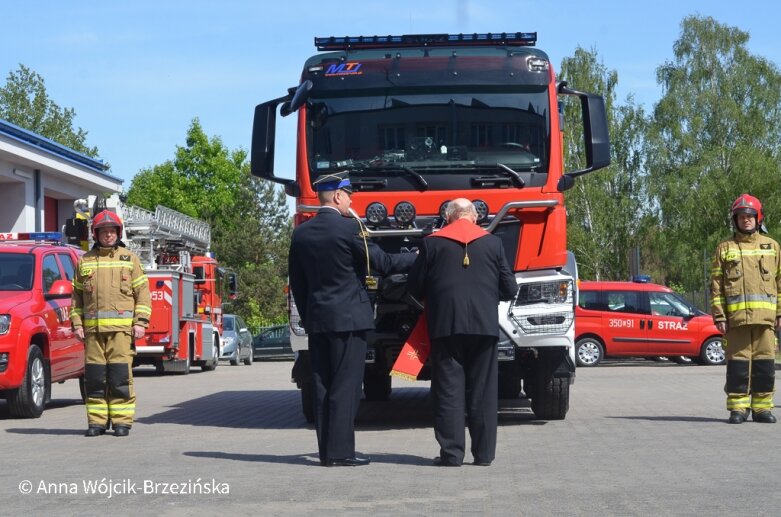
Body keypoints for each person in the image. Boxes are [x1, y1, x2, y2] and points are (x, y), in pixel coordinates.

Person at [288, 172, 415, 466]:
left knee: (321, 385)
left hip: (318, 321)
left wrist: (309, 317)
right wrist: (418, 254)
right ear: (337, 196)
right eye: (349, 195)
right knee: (346, 386)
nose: (351, 201)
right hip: (350, 321)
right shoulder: (349, 229)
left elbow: (298, 283)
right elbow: (382, 263)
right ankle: (342, 451)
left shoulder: (302, 234)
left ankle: (326, 453)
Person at [407, 198, 518, 466]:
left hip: (446, 327)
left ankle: (452, 454)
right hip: (484, 328)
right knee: (484, 391)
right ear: (475, 216)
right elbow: (510, 288)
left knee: (448, 391)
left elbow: (414, 286)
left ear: (449, 217)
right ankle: (484, 455)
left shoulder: (432, 243)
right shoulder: (493, 243)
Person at [71, 210, 152, 437]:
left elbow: (142, 294)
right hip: (93, 332)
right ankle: (96, 423)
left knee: (120, 377)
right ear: (96, 234)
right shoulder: (84, 261)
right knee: (95, 378)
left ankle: (121, 422)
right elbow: (76, 297)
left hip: (121, 332)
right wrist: (77, 324)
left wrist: (141, 322)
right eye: (104, 231)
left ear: (118, 233)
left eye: (112, 231)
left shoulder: (129, 259)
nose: (108, 235)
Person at [710, 194, 781, 424]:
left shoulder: (772, 247)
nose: (746, 220)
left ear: (758, 218)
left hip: (765, 321)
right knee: (738, 366)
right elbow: (716, 287)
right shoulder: (725, 248)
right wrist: (720, 316)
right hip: (736, 321)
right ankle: (738, 409)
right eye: (742, 216)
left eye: (750, 216)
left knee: (765, 365)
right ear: (735, 219)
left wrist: (779, 313)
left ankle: (762, 409)